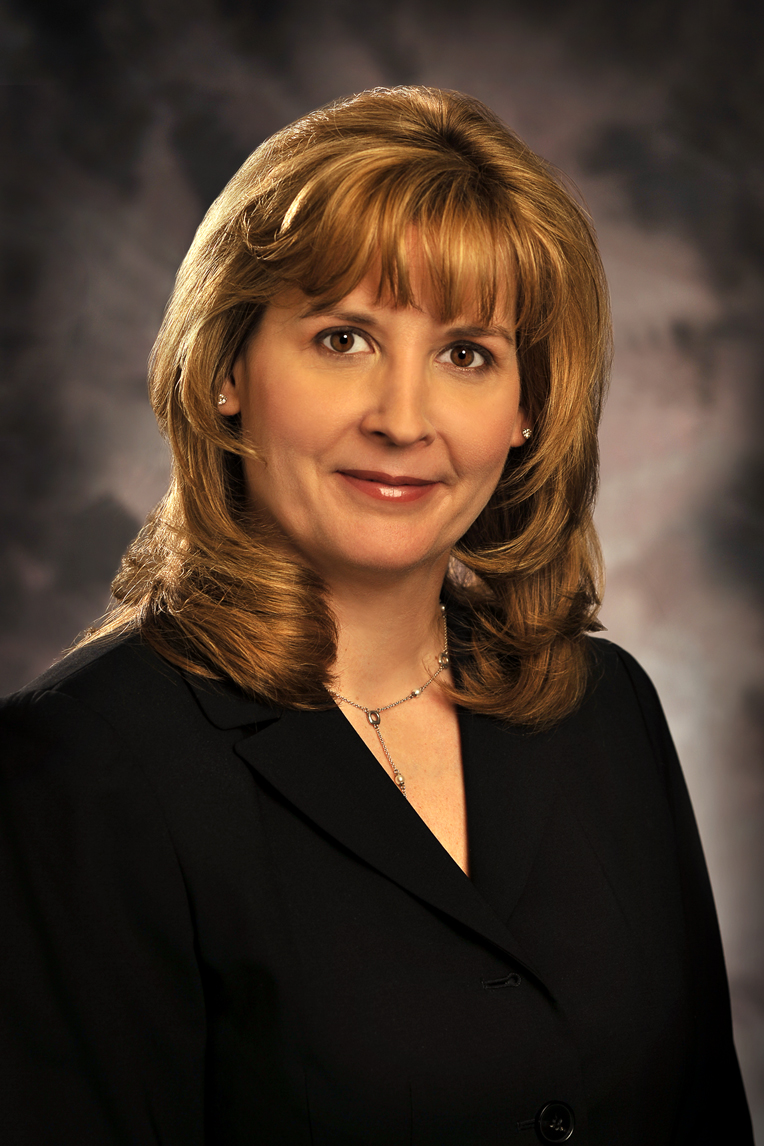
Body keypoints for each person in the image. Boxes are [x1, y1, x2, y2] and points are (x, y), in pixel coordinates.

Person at [0, 86, 753, 1146]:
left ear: (527, 410)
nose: (403, 420)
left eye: (466, 354)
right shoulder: (80, 768)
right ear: (226, 369)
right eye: (343, 338)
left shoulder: (602, 706)